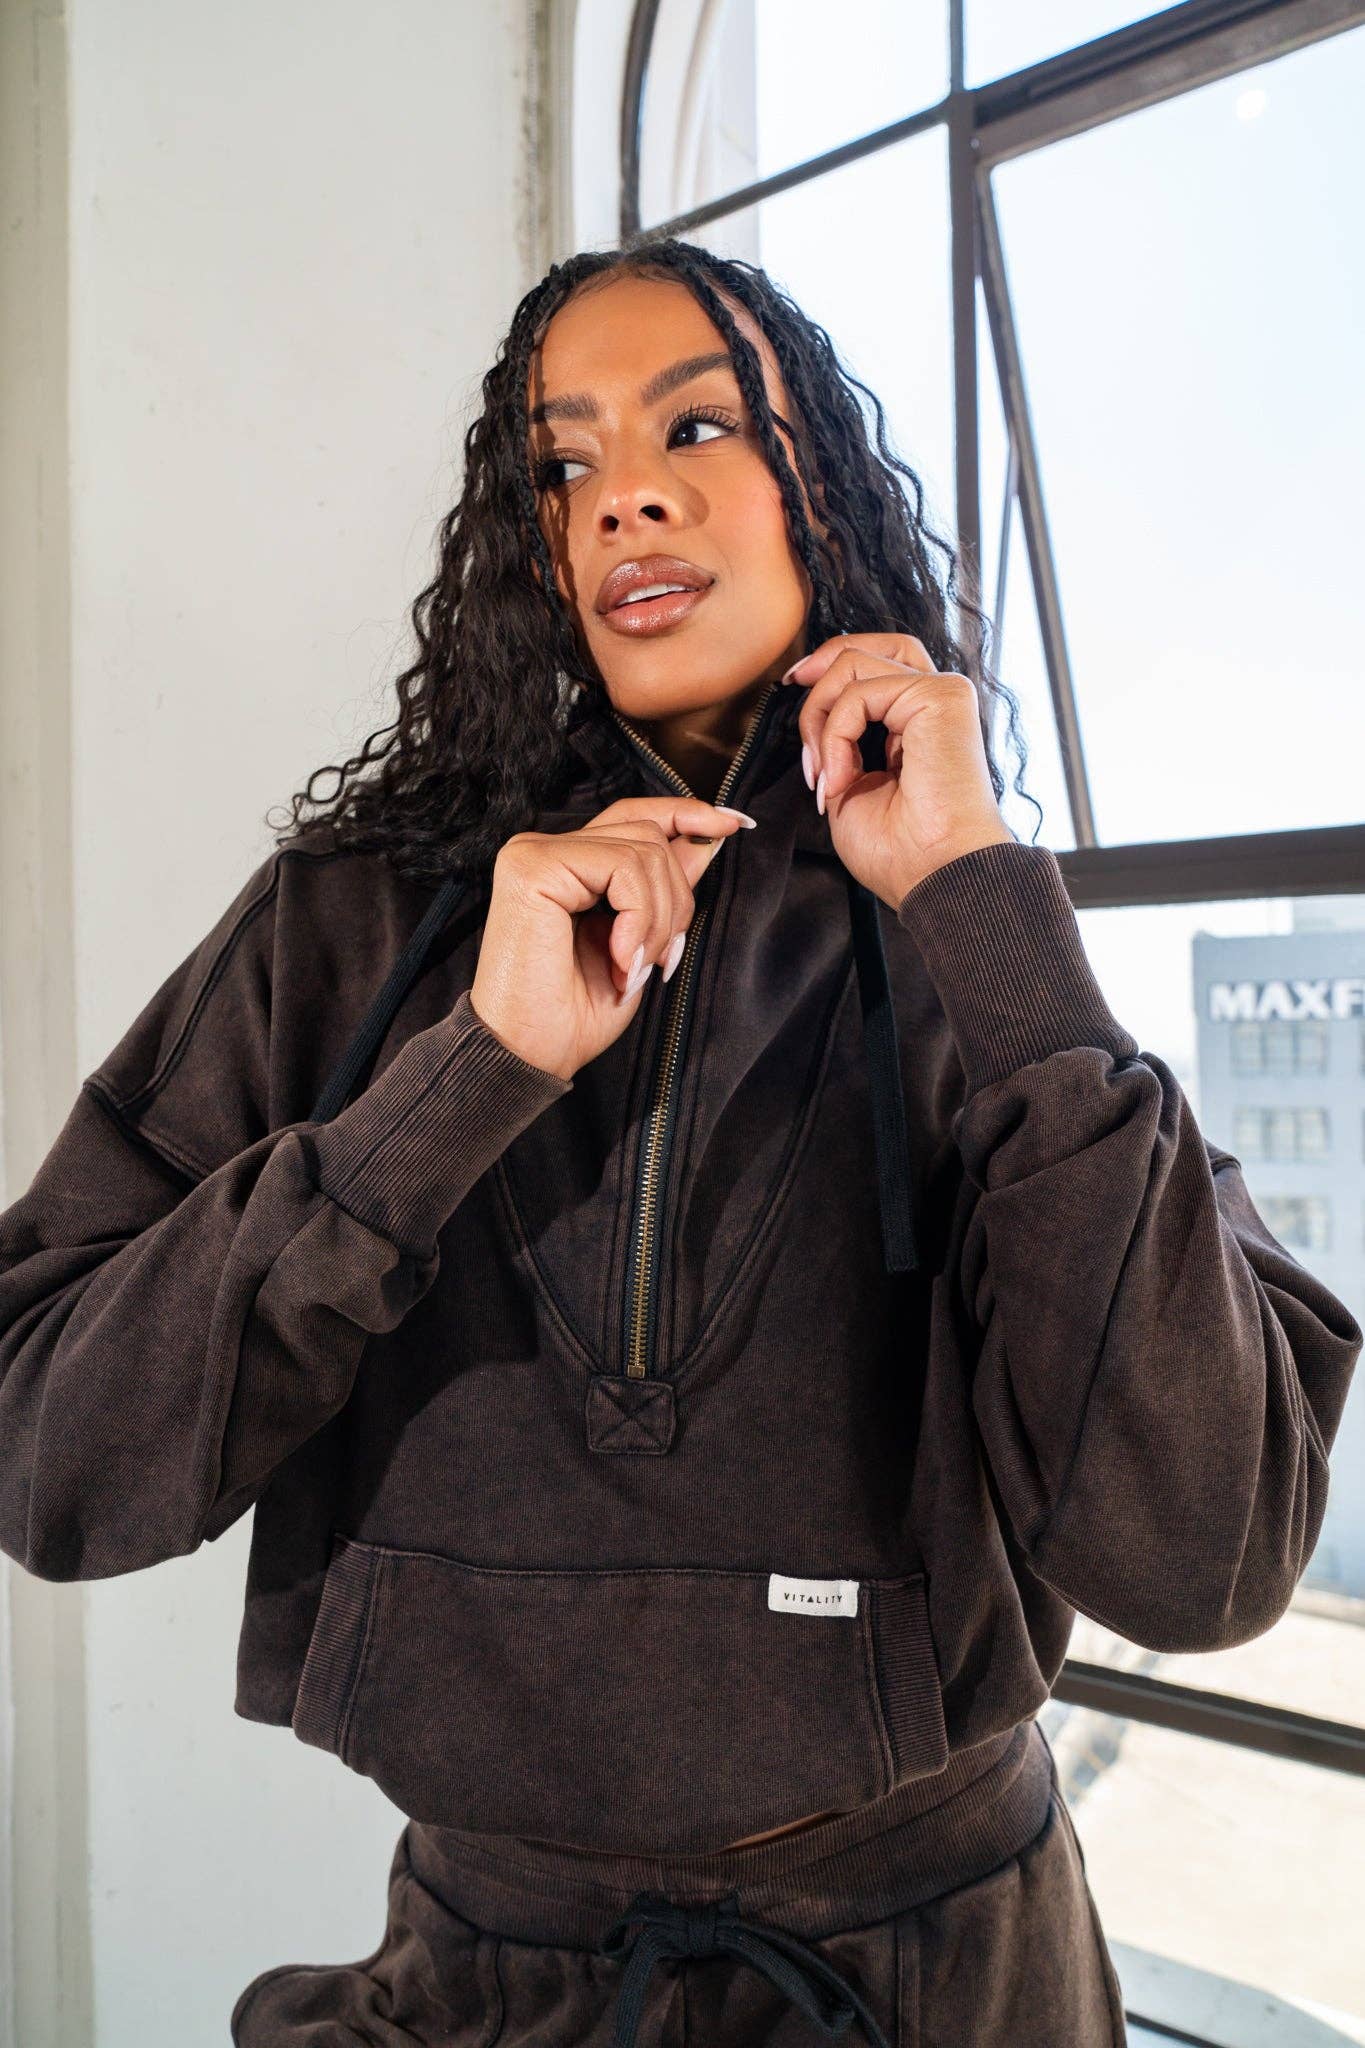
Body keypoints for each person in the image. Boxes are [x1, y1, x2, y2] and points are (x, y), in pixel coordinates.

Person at [1, 237, 1359, 2048]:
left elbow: (1204, 1557)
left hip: (936, 1978)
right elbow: (46, 1457)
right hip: (488, 1976)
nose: (622, 493)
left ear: (822, 494)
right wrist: (464, 1076)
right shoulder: (349, 918)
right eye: (562, 464)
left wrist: (984, 908)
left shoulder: (966, 936)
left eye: (697, 426)